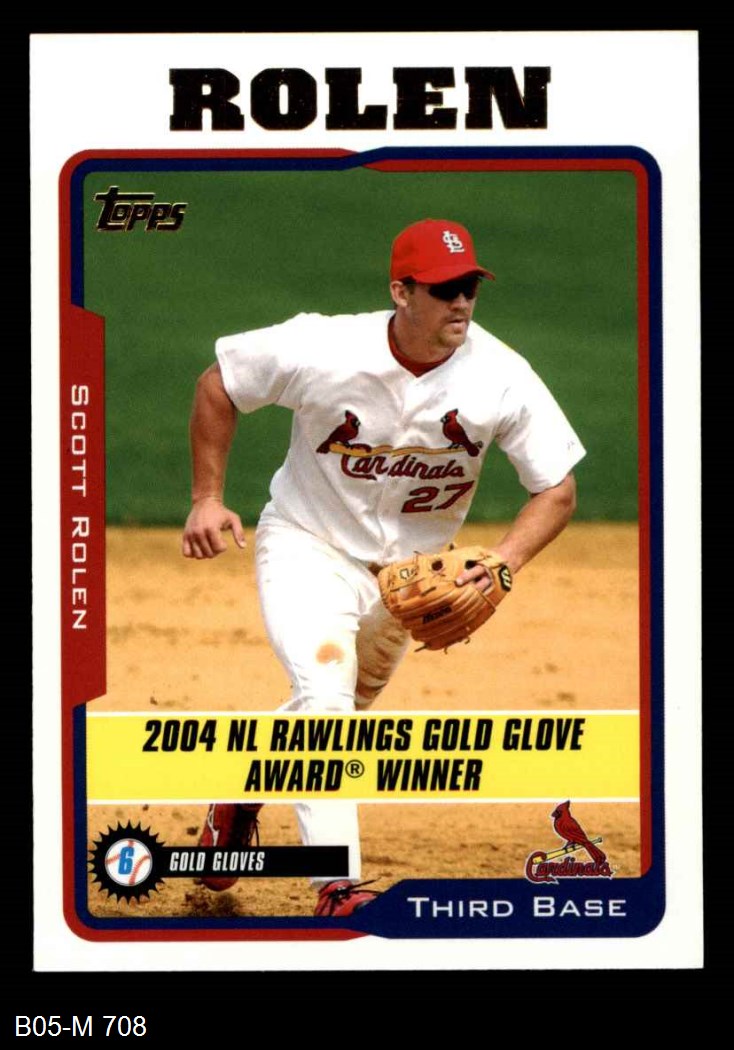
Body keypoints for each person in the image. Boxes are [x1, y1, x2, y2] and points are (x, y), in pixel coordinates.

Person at [182, 218, 585, 916]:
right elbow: (219, 384)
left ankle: (243, 789)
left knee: (342, 709)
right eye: (444, 289)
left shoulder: (501, 375)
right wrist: (207, 498)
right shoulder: (323, 346)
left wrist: (504, 561)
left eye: (470, 287)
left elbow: (557, 488)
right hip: (307, 545)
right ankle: (335, 887)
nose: (462, 302)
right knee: (326, 698)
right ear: (401, 291)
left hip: (408, 582)